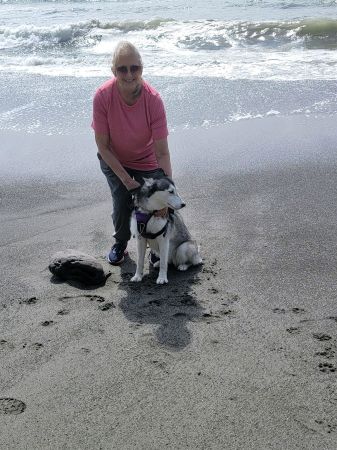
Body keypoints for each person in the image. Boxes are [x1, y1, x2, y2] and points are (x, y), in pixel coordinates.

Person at [92, 41, 172, 265]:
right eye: (122, 69)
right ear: (113, 71)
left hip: (147, 161)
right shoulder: (102, 96)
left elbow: (162, 153)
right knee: (122, 201)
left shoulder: (153, 100)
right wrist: (127, 181)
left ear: (142, 68)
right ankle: (121, 243)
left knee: (159, 204)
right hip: (113, 160)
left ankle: (156, 247)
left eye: (134, 68)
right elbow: (103, 146)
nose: (129, 74)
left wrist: (166, 191)